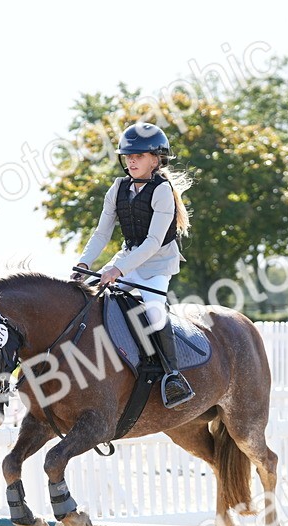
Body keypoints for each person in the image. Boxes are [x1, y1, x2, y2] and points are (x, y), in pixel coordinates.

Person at [71, 121, 195, 408]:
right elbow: (102, 233)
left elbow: (153, 243)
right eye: (128, 156)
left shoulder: (162, 190)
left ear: (156, 159)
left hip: (157, 264)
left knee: (153, 313)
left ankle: (173, 376)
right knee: (87, 297)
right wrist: (83, 262)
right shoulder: (118, 188)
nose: (131, 161)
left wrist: (118, 270)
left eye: (138, 156)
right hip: (127, 257)